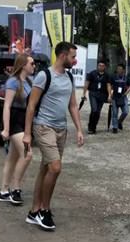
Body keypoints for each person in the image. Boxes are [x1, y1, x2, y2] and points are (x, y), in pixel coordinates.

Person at [23, 41, 84, 230]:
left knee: (46, 169)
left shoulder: (69, 77)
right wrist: (27, 133)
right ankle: (44, 210)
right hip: (43, 127)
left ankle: (34, 212)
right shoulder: (44, 76)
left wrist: (79, 129)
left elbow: (72, 105)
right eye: (73, 57)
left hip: (61, 129)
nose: (74, 60)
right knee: (55, 168)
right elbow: (31, 106)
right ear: (63, 56)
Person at [0, 54, 35, 205]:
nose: (34, 66)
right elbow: (7, 106)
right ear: (23, 65)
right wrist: (6, 129)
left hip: (23, 120)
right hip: (14, 120)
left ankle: (3, 191)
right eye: (31, 63)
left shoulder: (29, 82)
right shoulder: (13, 81)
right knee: (27, 154)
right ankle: (16, 189)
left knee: (13, 158)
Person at [82, 60, 111, 134]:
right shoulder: (92, 73)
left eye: (102, 66)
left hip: (102, 94)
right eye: (99, 65)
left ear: (105, 67)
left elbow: (108, 85)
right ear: (97, 66)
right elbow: (87, 83)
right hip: (93, 93)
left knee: (98, 112)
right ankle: (90, 126)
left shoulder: (107, 75)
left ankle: (93, 127)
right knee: (94, 109)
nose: (101, 67)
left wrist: (109, 95)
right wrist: (84, 93)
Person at [109, 63, 130, 134]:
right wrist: (110, 93)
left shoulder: (126, 78)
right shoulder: (113, 77)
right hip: (115, 97)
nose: (119, 70)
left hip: (123, 96)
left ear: (123, 70)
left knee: (126, 111)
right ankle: (115, 127)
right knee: (115, 113)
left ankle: (119, 122)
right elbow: (110, 85)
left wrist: (125, 93)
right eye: (118, 69)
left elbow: (129, 86)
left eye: (120, 69)